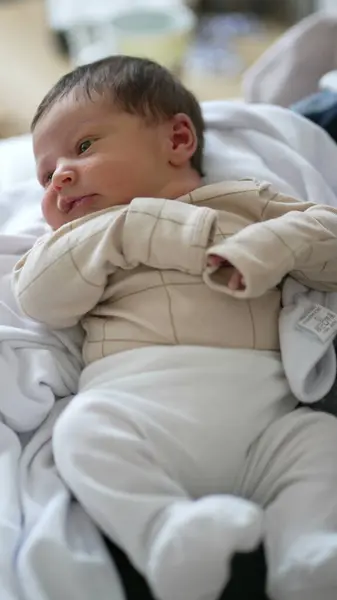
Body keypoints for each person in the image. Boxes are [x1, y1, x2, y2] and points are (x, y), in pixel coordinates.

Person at [13, 55, 337, 600]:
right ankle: (166, 535)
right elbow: (38, 298)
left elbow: (325, 235)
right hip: (137, 409)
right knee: (82, 432)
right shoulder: (86, 239)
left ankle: (305, 556)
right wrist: (128, 231)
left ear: (178, 139)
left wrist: (271, 246)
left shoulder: (244, 202)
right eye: (46, 176)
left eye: (84, 146)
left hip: (264, 420)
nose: (60, 175)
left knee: (321, 442)